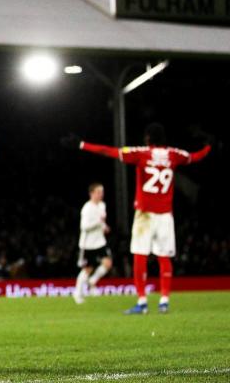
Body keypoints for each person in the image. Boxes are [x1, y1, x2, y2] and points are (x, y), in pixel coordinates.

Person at [73, 124, 211, 314]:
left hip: (145, 215)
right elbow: (195, 157)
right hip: (165, 216)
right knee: (164, 257)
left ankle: (142, 302)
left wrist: (82, 144)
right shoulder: (174, 154)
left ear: (147, 138)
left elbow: (108, 151)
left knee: (140, 256)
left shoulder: (142, 153)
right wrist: (208, 147)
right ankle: (164, 301)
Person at [73, 183, 112, 304]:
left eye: (102, 192)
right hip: (87, 244)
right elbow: (84, 227)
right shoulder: (87, 208)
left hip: (100, 242)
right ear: (92, 194)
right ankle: (77, 293)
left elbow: (102, 223)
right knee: (87, 269)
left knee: (108, 263)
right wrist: (98, 223)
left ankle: (92, 282)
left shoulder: (102, 205)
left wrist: (104, 227)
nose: (101, 194)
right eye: (98, 192)